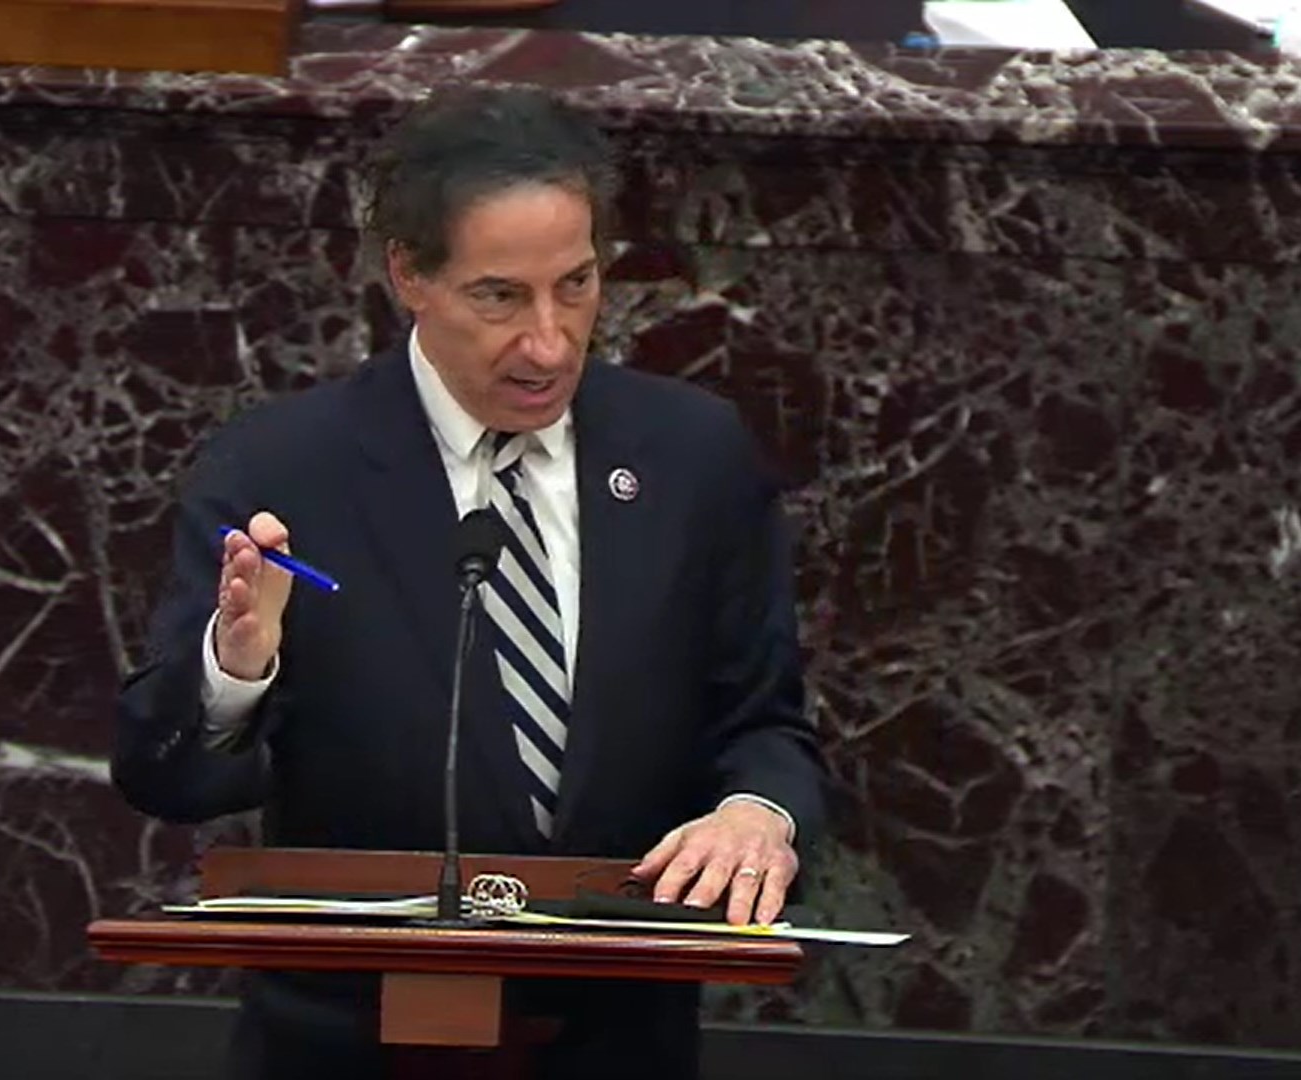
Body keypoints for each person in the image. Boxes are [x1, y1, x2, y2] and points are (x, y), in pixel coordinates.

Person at [113, 85, 828, 1080]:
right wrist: (237, 669)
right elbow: (167, 779)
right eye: (501, 296)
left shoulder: (690, 454)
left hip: (618, 1037)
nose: (548, 341)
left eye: (575, 286)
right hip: (346, 1041)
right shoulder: (283, 472)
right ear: (410, 273)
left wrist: (760, 813)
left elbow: (764, 722)